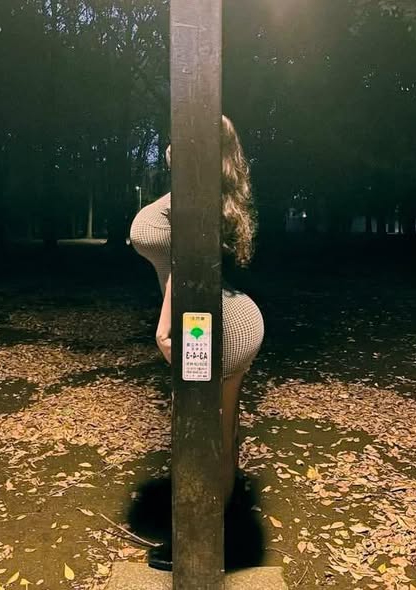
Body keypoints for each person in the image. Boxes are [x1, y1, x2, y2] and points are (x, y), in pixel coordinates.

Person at [129, 114, 265, 569]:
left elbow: (184, 264)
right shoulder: (202, 189)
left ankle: (199, 545)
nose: (173, 141)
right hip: (230, 318)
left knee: (198, 438)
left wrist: (164, 327)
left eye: (187, 132)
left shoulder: (194, 194)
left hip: (209, 322)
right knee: (219, 436)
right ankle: (215, 534)